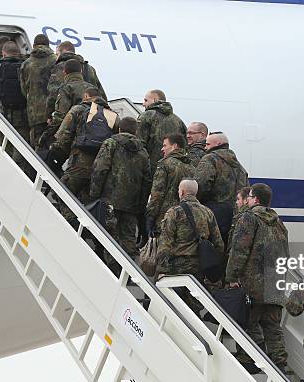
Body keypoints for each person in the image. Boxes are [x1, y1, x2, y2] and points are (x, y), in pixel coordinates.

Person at [226, 183, 289, 373]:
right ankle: (280, 366)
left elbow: (240, 249)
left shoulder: (249, 218)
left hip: (253, 285)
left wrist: (231, 275)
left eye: (250, 196)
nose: (248, 199)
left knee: (248, 322)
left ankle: (252, 358)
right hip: (275, 285)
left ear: (256, 199)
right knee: (273, 328)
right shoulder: (279, 223)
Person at [48, 88, 119, 223]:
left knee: (61, 193)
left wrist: (57, 158)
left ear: (86, 96)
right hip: (100, 170)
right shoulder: (113, 116)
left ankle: (72, 224)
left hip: (78, 165)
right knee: (90, 205)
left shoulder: (78, 110)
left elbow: (63, 137)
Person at [156, 179, 224, 312]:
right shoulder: (207, 212)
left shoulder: (174, 212)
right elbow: (219, 244)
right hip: (198, 267)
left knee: (172, 306)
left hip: (176, 268)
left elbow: (165, 242)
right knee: (193, 308)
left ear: (181, 192)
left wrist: (162, 269)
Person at [89, 117, 151, 259]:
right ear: (136, 131)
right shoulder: (143, 151)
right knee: (128, 237)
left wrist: (94, 193)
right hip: (132, 203)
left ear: (119, 129)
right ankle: (131, 271)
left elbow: (100, 169)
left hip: (110, 199)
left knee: (111, 236)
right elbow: (147, 180)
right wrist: (141, 205)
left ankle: (114, 270)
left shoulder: (110, 144)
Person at [194, 132, 248, 249]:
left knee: (211, 251)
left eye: (208, 144)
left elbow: (200, 186)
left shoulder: (209, 159)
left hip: (214, 214)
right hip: (236, 215)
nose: (205, 147)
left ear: (218, 144)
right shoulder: (239, 166)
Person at [0, 41, 29, 166]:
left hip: (2, 117)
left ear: (3, 53)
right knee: (21, 153)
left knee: (4, 152)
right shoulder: (25, 67)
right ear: (18, 53)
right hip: (23, 118)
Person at [39, 59, 95, 150]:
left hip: (72, 135)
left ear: (64, 72)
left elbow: (60, 115)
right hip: (91, 134)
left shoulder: (66, 88)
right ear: (80, 71)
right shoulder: (92, 88)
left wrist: (47, 134)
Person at [145, 133, 194, 237]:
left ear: (174, 146)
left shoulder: (164, 164)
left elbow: (157, 194)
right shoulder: (191, 167)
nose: (162, 149)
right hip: (185, 217)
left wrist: (150, 217)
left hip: (164, 217)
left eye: (164, 145)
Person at [45, 41, 106, 120]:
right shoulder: (89, 68)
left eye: (57, 54)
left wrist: (49, 116)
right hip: (89, 118)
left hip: (68, 118)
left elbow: (53, 93)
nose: (56, 57)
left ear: (63, 52)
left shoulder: (58, 68)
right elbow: (101, 94)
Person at [136, 89, 187, 177]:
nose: (143, 104)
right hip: (174, 171)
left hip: (150, 171)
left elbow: (139, 144)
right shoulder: (178, 121)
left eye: (146, 100)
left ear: (155, 100)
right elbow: (184, 146)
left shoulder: (146, 116)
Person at [20, 34, 56, 149]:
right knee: (54, 145)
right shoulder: (56, 60)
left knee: (38, 146)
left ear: (34, 45)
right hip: (55, 112)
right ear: (48, 45)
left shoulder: (26, 64)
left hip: (34, 113)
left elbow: (23, 89)